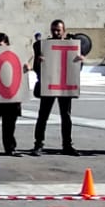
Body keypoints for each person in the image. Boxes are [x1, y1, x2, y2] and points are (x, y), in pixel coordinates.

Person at [31, 19, 79, 156]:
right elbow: (36, 68)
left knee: (66, 116)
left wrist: (79, 61)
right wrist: (39, 62)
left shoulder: (71, 46)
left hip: (64, 84)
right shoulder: (44, 46)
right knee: (43, 116)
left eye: (58, 30)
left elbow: (75, 69)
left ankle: (67, 145)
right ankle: (38, 144)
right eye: (53, 30)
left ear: (64, 31)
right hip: (49, 84)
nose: (56, 32)